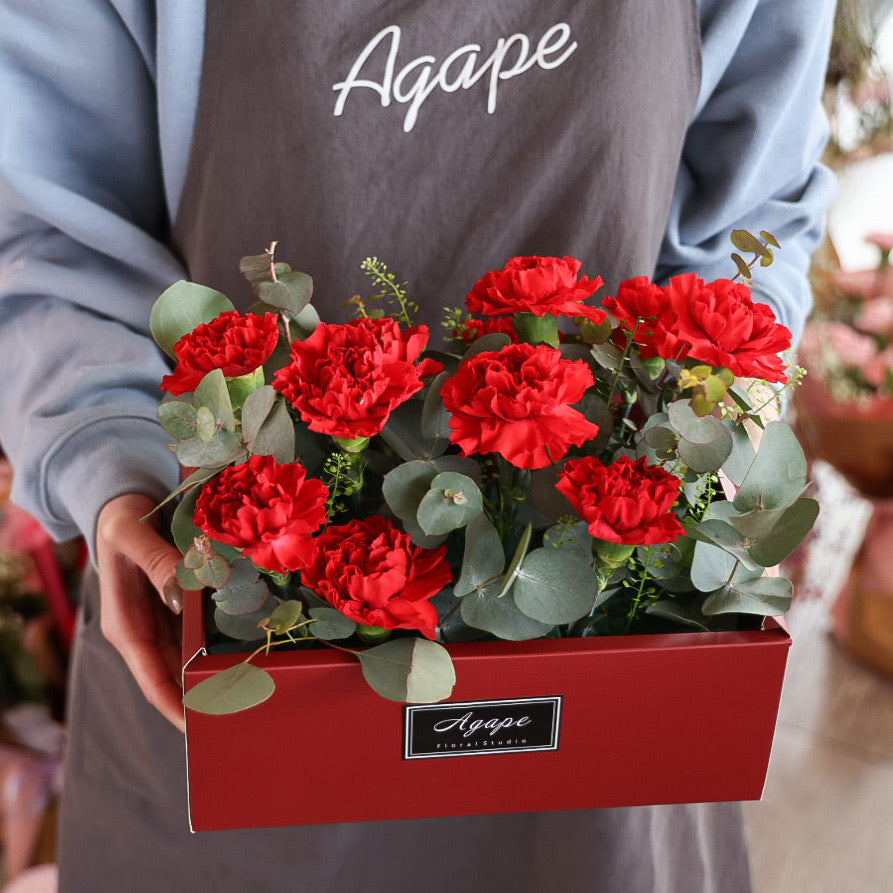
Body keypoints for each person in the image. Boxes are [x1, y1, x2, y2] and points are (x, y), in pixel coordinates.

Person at [0, 1, 836, 891]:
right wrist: (109, 466)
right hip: (228, 608)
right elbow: (50, 231)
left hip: (605, 667)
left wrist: (716, 420)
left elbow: (749, 214)